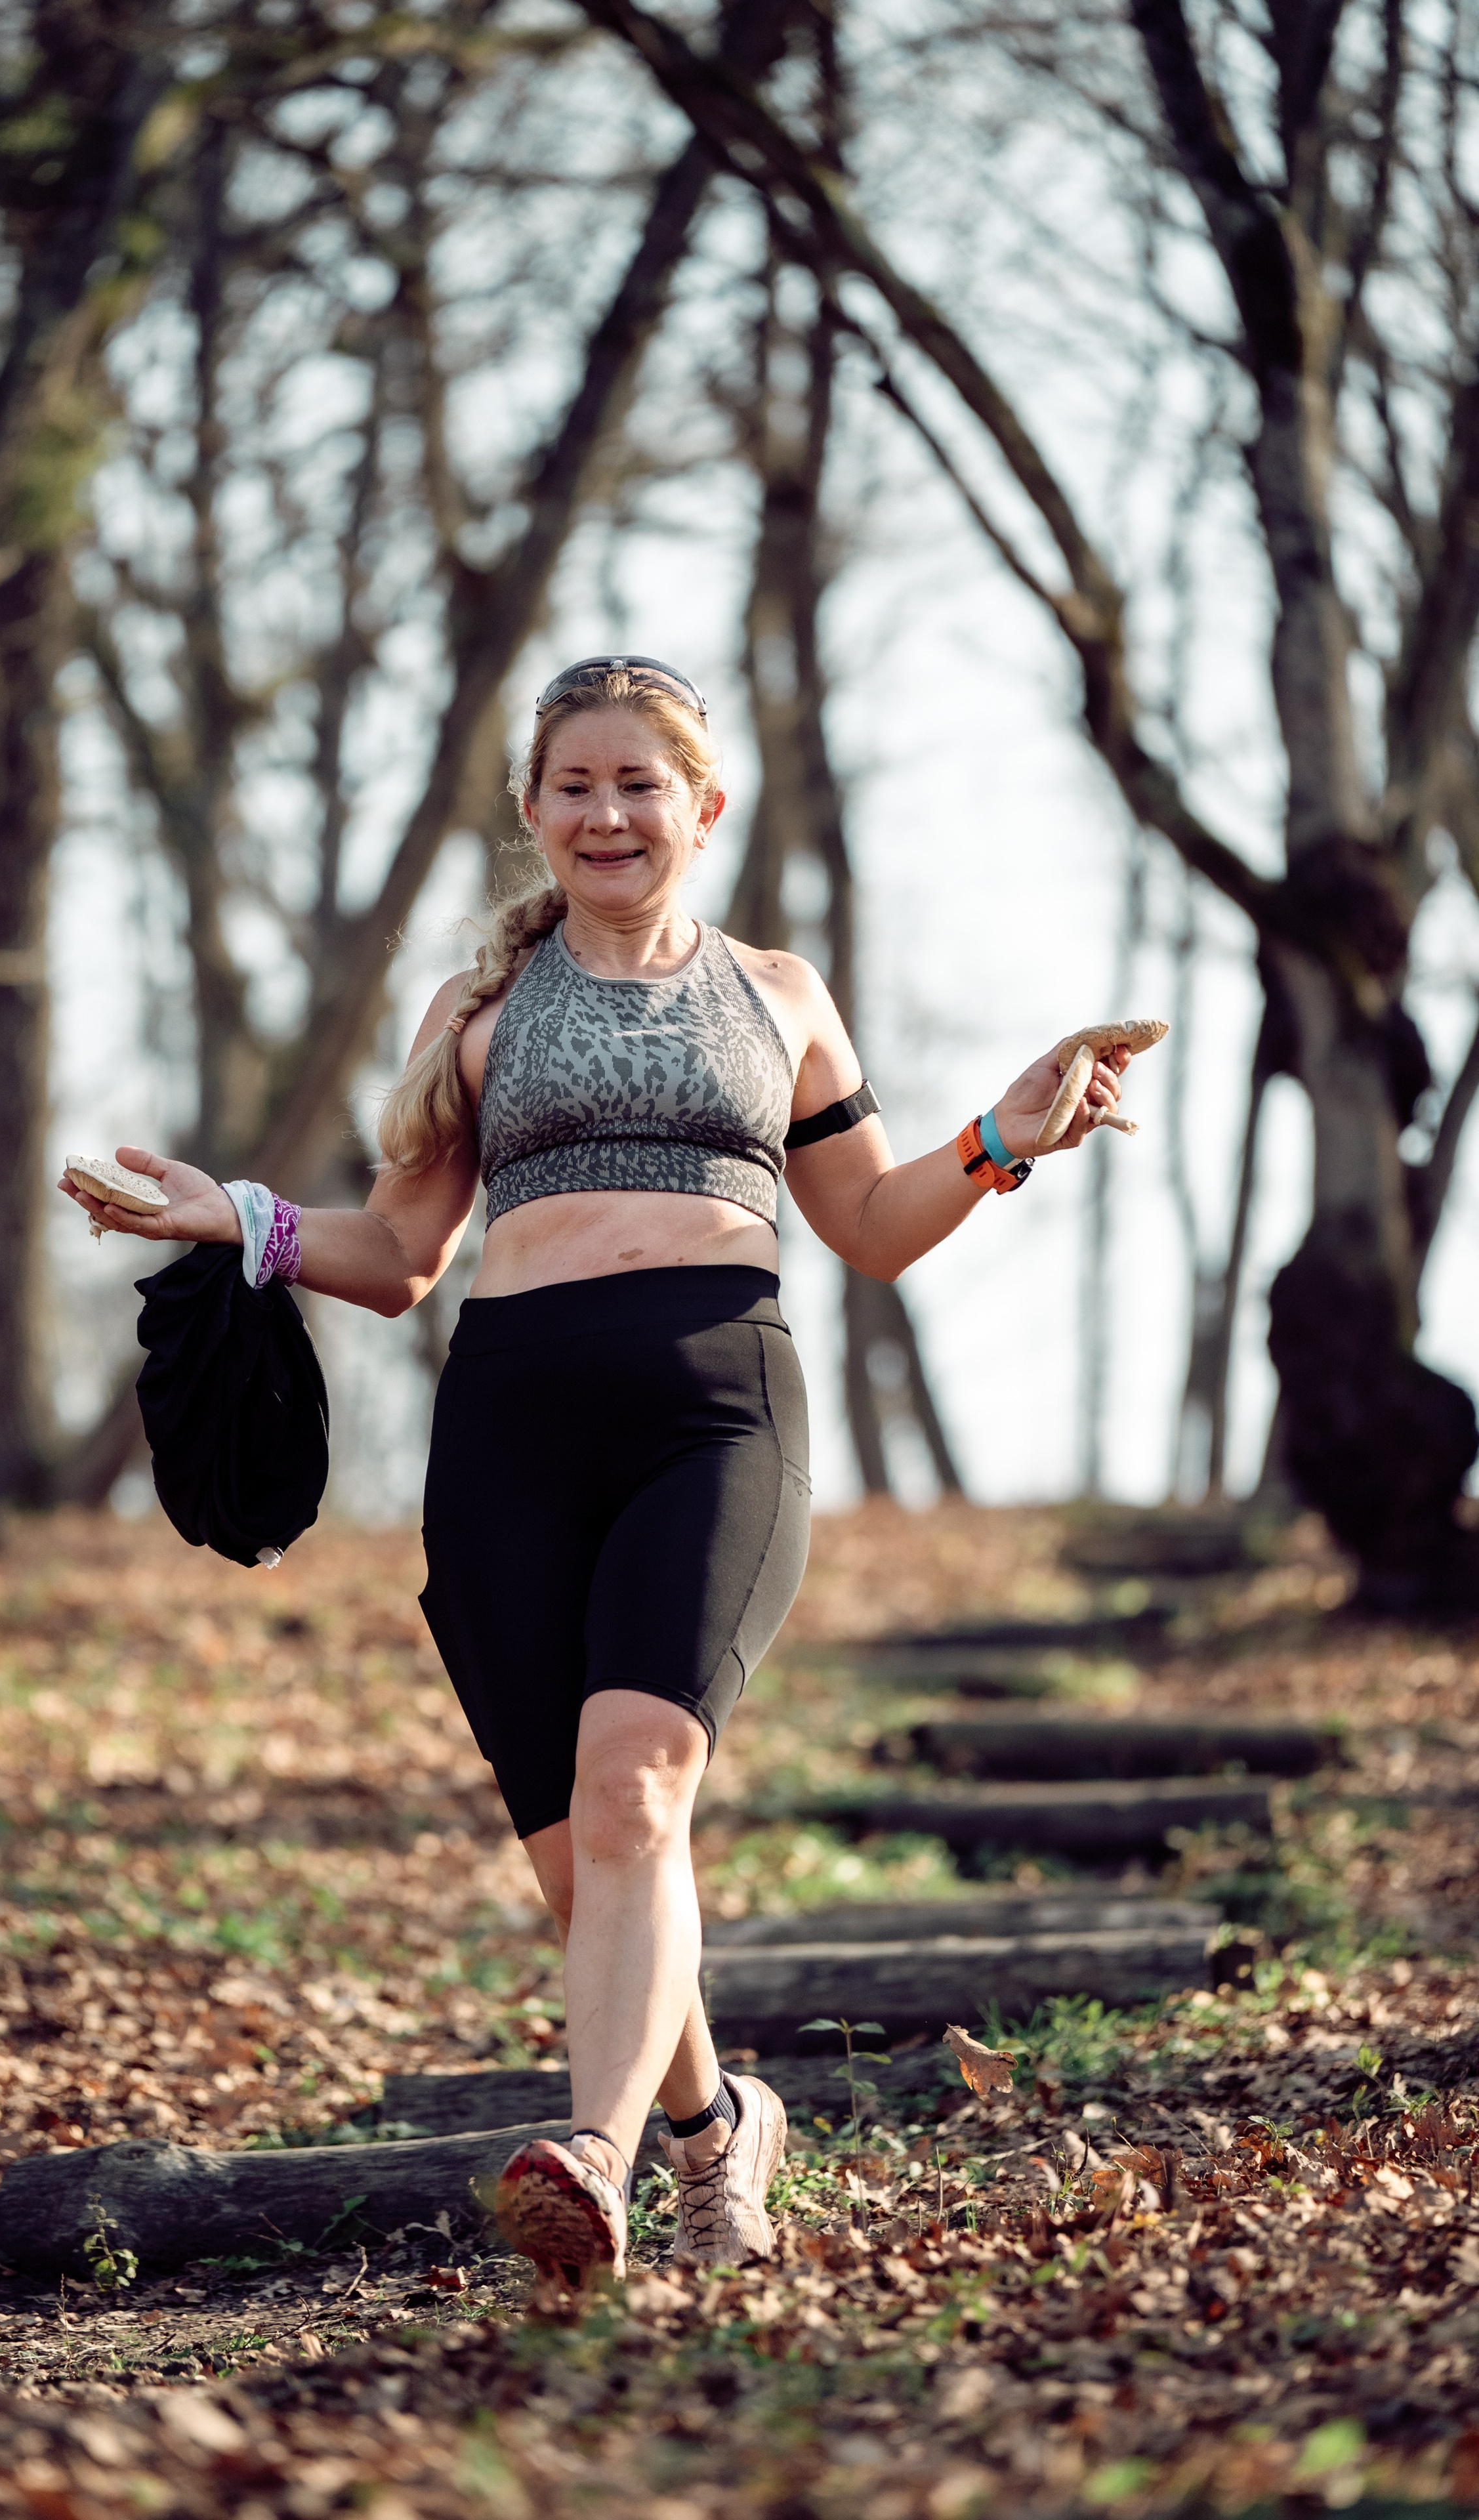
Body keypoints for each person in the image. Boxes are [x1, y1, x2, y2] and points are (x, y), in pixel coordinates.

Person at [62, 656, 1128, 2296]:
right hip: (504, 1434)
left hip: (714, 1413)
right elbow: (405, 1255)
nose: (607, 813)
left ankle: (597, 2164)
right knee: (587, 1875)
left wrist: (999, 1135)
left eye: (640, 785)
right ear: (534, 812)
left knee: (639, 1793)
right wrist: (241, 1218)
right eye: (575, 785)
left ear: (702, 809)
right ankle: (723, 2140)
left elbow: (867, 1230)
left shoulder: (777, 995)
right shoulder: (475, 1013)